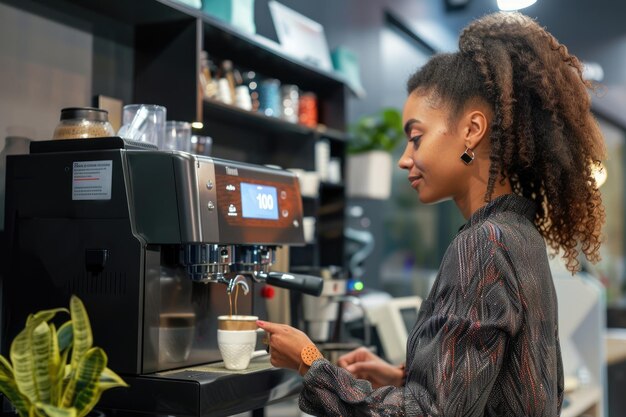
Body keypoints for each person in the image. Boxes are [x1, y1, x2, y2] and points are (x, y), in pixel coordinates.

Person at [256, 11, 606, 416]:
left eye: (416, 137)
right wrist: (401, 379)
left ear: (472, 130)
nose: (405, 159)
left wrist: (309, 362)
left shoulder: (485, 244)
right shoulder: (519, 235)